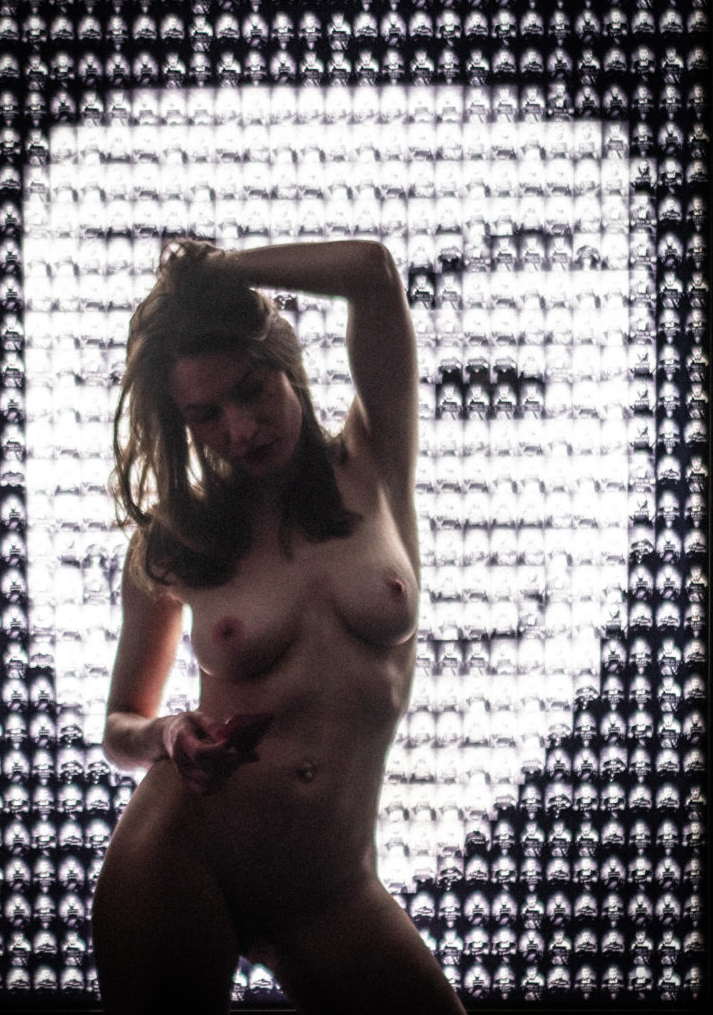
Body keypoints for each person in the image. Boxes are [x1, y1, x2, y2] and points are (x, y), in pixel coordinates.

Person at [92, 239, 467, 1015]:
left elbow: (373, 275)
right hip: (182, 853)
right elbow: (119, 728)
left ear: (285, 363)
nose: (241, 429)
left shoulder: (374, 463)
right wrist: (168, 734)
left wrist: (211, 275)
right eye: (204, 416)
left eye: (252, 390)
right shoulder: (177, 540)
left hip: (329, 885)